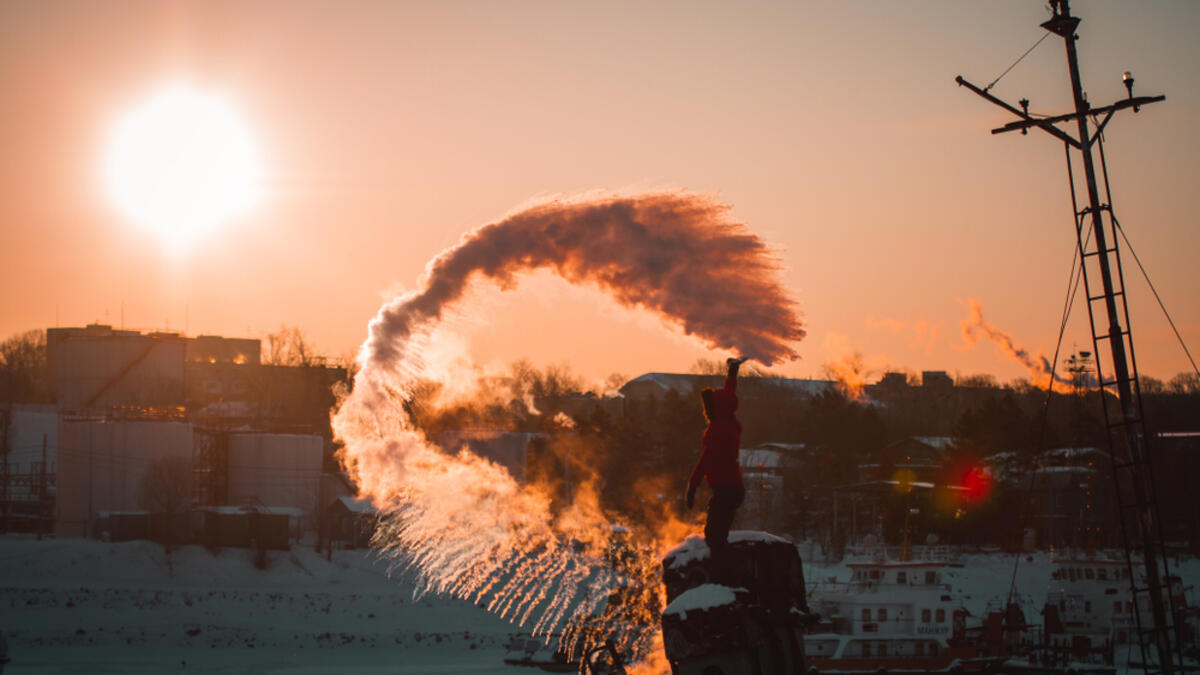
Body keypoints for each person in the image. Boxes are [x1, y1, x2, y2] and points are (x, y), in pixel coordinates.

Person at [685, 356, 748, 573]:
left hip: (726, 490)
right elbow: (729, 394)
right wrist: (732, 372)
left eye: (708, 406)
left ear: (715, 408)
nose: (706, 410)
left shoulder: (718, 429)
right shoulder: (728, 421)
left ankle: (727, 575)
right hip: (732, 488)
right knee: (717, 534)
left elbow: (706, 460)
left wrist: (692, 486)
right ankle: (727, 573)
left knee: (714, 537)